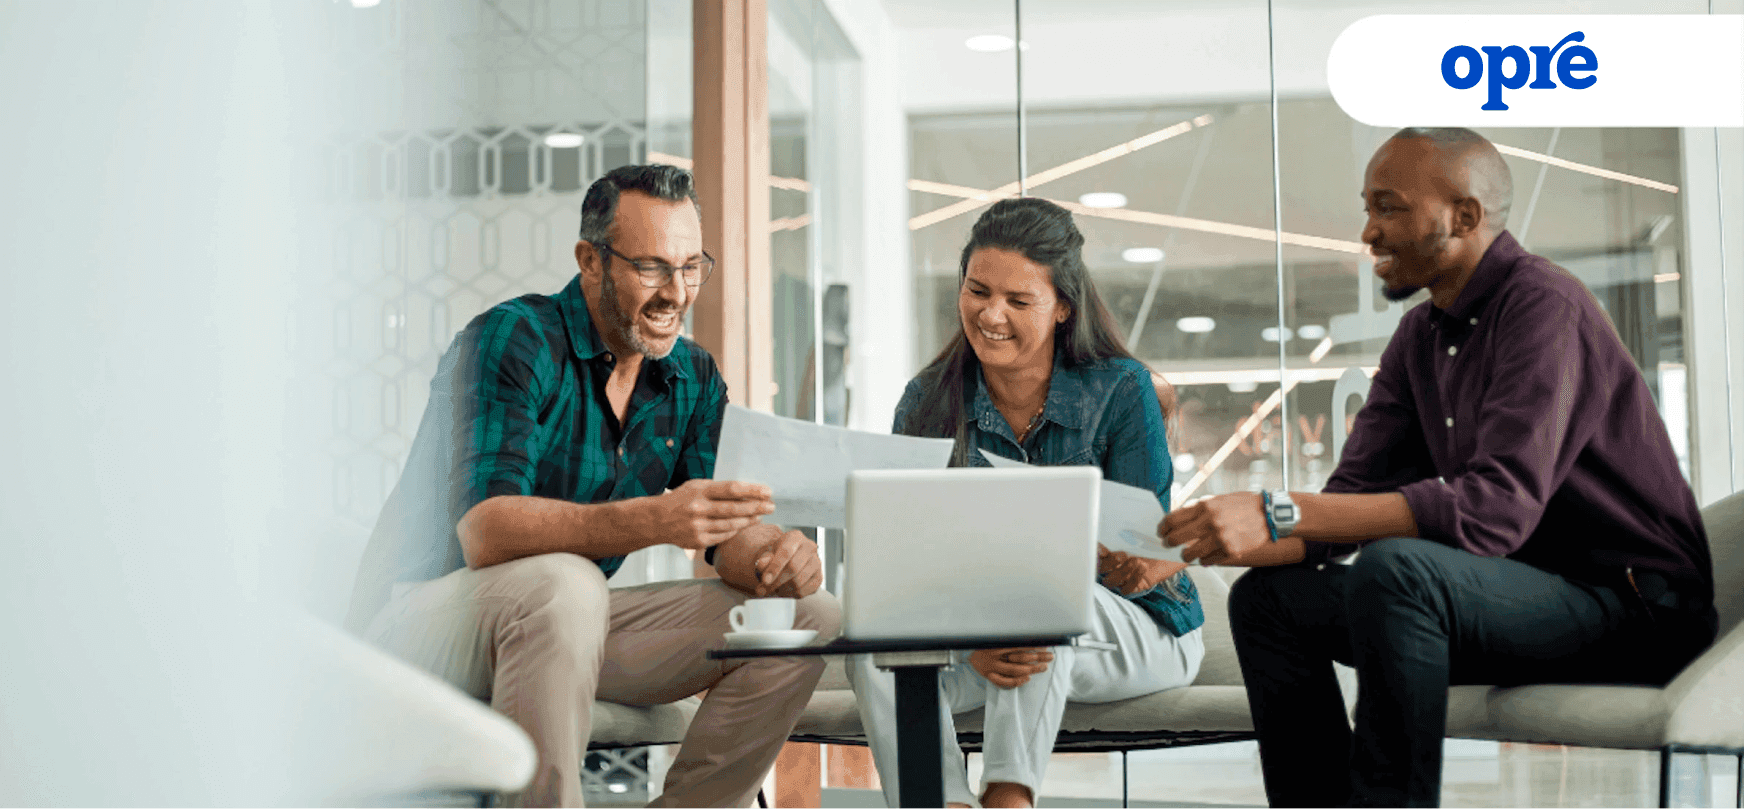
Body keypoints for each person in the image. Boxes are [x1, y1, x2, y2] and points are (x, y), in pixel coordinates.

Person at [1161, 128, 1717, 808]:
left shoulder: (1544, 304)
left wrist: (1280, 509)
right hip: (1515, 597)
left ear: (1464, 216)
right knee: (1270, 599)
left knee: (1399, 571)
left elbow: (1491, 511)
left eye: (1388, 207)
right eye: (1368, 207)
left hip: (1633, 608)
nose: (1368, 230)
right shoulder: (1419, 338)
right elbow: (1348, 504)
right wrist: (1200, 546)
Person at [344, 164, 841, 809]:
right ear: (590, 261)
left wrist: (775, 555)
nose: (677, 293)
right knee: (566, 581)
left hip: (559, 624)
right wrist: (659, 519)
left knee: (806, 617)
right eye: (653, 267)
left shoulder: (689, 376)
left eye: (692, 267)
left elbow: (722, 536)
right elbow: (485, 531)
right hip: (420, 621)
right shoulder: (515, 338)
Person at [846, 197, 1205, 809]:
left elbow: (1149, 546)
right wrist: (971, 630)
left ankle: (1008, 801)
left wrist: (1114, 561)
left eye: (1018, 301)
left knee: (1030, 600)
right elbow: (907, 562)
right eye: (978, 291)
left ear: (1063, 306)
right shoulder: (928, 401)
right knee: (876, 645)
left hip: (1137, 628)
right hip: (986, 633)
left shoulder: (1120, 388)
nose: (990, 315)